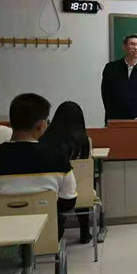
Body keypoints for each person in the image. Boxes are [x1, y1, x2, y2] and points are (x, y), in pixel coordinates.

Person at [0, 94, 77, 274]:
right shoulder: (58, 160)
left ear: (11, 122)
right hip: (45, 237)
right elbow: (69, 202)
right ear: (42, 125)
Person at [40, 101, 93, 243]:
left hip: (53, 192)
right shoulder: (84, 140)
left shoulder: (46, 139)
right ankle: (85, 231)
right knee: (83, 183)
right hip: (79, 191)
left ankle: (58, 228)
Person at [101, 33, 137, 122]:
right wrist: (110, 112)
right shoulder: (111, 68)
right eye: (132, 44)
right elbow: (105, 92)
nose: (136, 48)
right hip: (115, 117)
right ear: (124, 47)